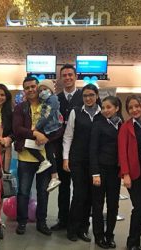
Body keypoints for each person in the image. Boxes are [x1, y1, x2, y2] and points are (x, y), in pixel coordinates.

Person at [13, 76, 52, 236]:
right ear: (24, 90)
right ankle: (21, 222)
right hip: (25, 157)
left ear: (38, 87)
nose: (30, 90)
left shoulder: (48, 105)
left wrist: (47, 136)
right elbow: (17, 129)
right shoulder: (20, 108)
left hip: (45, 158)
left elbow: (56, 127)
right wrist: (35, 133)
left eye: (33, 86)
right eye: (27, 87)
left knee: (43, 191)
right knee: (23, 191)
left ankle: (41, 222)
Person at [63, 84, 102, 242]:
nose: (88, 98)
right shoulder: (76, 112)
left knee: (91, 197)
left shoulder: (102, 113)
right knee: (79, 195)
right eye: (85, 95)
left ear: (97, 95)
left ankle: (84, 229)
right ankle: (72, 229)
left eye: (91, 95)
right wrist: (66, 158)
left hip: (96, 163)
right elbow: (68, 136)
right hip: (77, 160)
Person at [51, 64, 83, 231]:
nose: (68, 78)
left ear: (75, 76)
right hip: (60, 150)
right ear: (61, 79)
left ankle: (76, 222)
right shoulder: (55, 100)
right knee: (63, 188)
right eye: (64, 75)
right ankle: (63, 220)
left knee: (79, 189)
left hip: (79, 152)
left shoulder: (84, 97)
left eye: (70, 74)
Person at [90, 96, 123, 249]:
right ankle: (98, 235)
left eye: (108, 107)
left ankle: (110, 234)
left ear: (117, 108)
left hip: (115, 171)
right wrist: (95, 173)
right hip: (101, 170)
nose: (105, 110)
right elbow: (93, 150)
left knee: (113, 205)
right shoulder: (98, 125)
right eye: (103, 108)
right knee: (97, 204)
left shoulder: (122, 125)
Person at [118, 95, 141, 250]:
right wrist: (126, 174)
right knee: (139, 208)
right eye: (130, 107)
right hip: (134, 174)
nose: (134, 110)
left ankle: (135, 242)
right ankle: (132, 243)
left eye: (137, 106)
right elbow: (122, 152)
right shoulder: (126, 126)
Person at [26, 79, 62, 192]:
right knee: (49, 151)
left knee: (29, 143)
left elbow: (46, 116)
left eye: (45, 89)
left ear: (51, 90)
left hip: (51, 129)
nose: (42, 92)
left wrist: (36, 128)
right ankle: (54, 176)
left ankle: (43, 162)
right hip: (49, 129)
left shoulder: (52, 100)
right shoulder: (46, 100)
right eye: (40, 90)